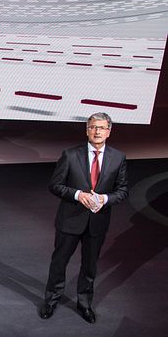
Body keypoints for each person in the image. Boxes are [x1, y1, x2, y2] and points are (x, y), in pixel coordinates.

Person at [40, 112, 128, 323]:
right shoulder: (70, 155)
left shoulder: (119, 158)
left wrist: (104, 199)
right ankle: (51, 301)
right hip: (70, 220)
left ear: (109, 131)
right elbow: (55, 185)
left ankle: (85, 303)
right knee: (59, 262)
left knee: (90, 266)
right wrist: (79, 195)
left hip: (97, 223)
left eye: (101, 128)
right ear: (87, 130)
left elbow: (123, 190)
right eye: (92, 127)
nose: (97, 132)